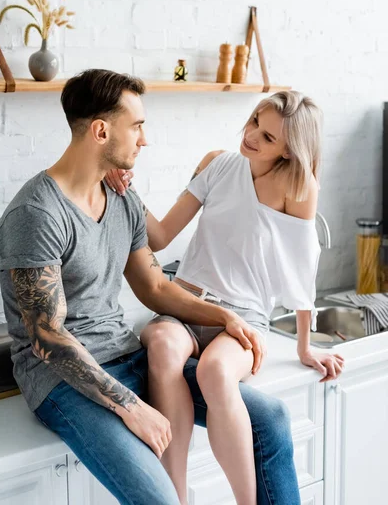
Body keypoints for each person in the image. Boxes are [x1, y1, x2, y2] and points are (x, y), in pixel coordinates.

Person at [0, 70, 303, 505]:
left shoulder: (120, 196)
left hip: (125, 356)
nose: (144, 139)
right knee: (160, 498)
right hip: (63, 382)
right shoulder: (36, 214)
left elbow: (155, 286)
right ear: (102, 131)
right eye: (137, 126)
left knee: (270, 420)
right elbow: (47, 338)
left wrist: (225, 317)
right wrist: (132, 407)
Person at [105, 90, 345, 505]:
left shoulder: (298, 186)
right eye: (254, 121)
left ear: (290, 150)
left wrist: (306, 346)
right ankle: (174, 497)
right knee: (161, 347)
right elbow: (160, 236)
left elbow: (303, 267)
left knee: (214, 373)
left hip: (243, 315)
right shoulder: (218, 165)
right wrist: (128, 189)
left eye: (268, 137)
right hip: (183, 301)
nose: (251, 135)